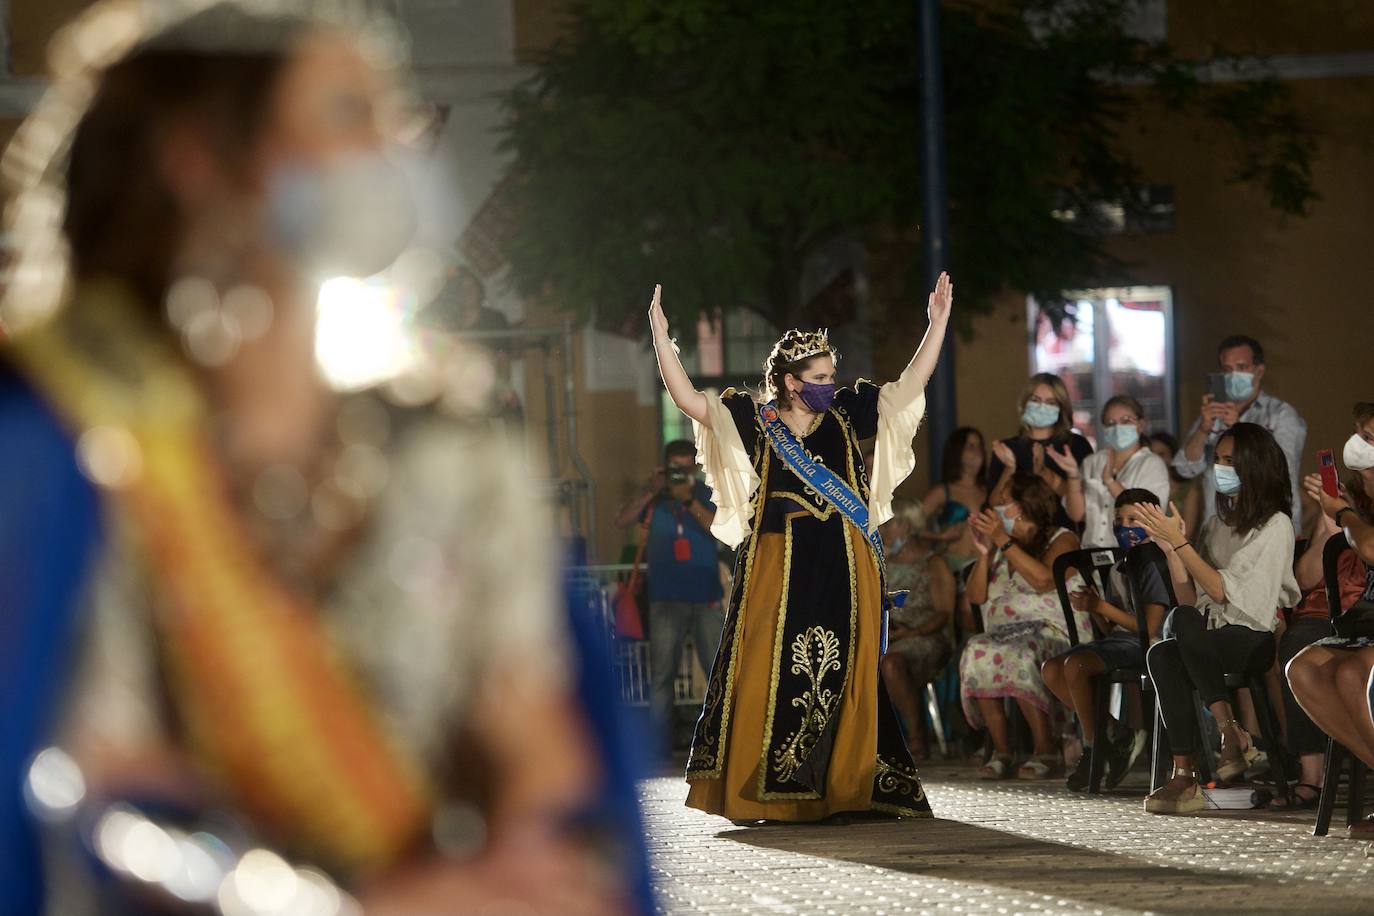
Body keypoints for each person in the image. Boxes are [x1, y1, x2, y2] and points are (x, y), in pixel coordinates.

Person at [0, 4, 634, 913]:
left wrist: (528, 866)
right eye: (347, 113)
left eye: (393, 111)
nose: (398, 144)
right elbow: (75, 782)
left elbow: (543, 748)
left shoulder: (452, 457)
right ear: (200, 161)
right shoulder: (70, 444)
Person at [649, 273, 953, 822]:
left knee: (843, 668)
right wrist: (662, 342)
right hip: (776, 559)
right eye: (818, 377)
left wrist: (936, 326)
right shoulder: (753, 417)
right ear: (791, 382)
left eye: (830, 375)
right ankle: (770, 787)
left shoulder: (846, 413)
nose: (828, 384)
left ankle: (844, 785)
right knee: (767, 664)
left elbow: (908, 387)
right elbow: (691, 401)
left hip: (843, 557)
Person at [1136, 423, 1301, 815]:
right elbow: (1189, 597)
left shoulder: (1276, 525)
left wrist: (1180, 541)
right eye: (1218, 460)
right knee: (1164, 649)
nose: (1221, 468)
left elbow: (1224, 591)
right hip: (1209, 635)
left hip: (1251, 637)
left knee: (1185, 628)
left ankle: (1226, 738)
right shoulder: (1217, 524)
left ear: (1254, 466)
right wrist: (1172, 548)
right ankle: (1191, 768)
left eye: (1230, 460)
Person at [1041, 489, 1172, 791]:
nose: (1124, 527)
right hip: (1118, 641)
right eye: (1119, 520)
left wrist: (1102, 607)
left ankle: (1094, 747)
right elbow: (1110, 625)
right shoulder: (1119, 566)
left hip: (1148, 644)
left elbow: (1149, 627)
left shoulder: (1153, 562)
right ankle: (1115, 732)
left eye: (1133, 519)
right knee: (1051, 668)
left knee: (1076, 666)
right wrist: (1094, 607)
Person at [960, 474, 1087, 780]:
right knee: (977, 648)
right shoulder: (1002, 549)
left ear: (1025, 506)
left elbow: (1044, 580)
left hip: (1052, 631)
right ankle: (1003, 751)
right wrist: (984, 553)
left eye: (1004, 503)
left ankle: (1045, 749)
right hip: (1005, 632)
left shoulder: (1063, 538)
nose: (998, 509)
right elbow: (975, 598)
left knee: (1017, 653)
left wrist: (1003, 541)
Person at [1286, 402, 1374, 831]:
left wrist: (1341, 513)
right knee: (1302, 666)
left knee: (1349, 674)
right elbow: (1304, 579)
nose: (1362, 446)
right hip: (1360, 623)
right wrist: (1327, 521)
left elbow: (1371, 548)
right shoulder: (1348, 500)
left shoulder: (1349, 510)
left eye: (1372, 439)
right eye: (1360, 436)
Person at [617, 440, 723, 758]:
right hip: (665, 599)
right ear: (664, 466)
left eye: (686, 467)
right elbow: (621, 521)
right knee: (662, 675)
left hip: (705, 598)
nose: (680, 474)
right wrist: (651, 490)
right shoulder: (655, 499)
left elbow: (719, 530)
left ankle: (721, 743)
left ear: (695, 466)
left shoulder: (706, 493)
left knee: (717, 671)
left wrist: (689, 500)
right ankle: (657, 749)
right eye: (675, 467)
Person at [1172, 334, 1307, 533]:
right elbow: (1184, 469)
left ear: (1259, 371)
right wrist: (1203, 430)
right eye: (1227, 369)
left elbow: (1281, 471)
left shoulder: (1282, 415)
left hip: (1267, 528)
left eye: (1242, 368)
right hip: (1218, 527)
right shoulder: (1213, 413)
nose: (1233, 375)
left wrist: (1239, 427)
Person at [879, 500, 956, 761]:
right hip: (889, 636)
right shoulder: (883, 562)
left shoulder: (933, 563)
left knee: (891, 664)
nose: (884, 530)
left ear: (906, 526)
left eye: (889, 524)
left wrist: (910, 633)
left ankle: (916, 737)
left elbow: (944, 612)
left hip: (924, 636)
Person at [1053, 395, 1170, 548]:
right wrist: (1073, 475)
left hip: (1134, 554)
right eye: (1111, 423)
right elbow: (1077, 515)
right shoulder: (1092, 462)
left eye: (1125, 421)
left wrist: (1110, 482)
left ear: (1141, 425)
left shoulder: (1152, 464)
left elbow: (1148, 515)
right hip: (1091, 554)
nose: (1117, 428)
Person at [986, 373, 1094, 517]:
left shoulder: (1075, 445)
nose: (1042, 407)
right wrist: (1009, 469)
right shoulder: (1007, 448)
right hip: (1021, 535)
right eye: (1035, 400)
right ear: (1024, 404)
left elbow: (1089, 504)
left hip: (1069, 534)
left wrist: (1047, 474)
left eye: (1050, 402)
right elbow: (994, 506)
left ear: (1061, 408)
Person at [920, 426, 989, 575]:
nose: (977, 451)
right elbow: (911, 526)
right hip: (952, 567)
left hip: (983, 565)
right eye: (970, 446)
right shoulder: (943, 491)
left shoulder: (988, 491)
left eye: (980, 446)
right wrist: (940, 537)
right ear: (958, 452)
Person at [1148, 431, 1203, 544]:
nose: (1156, 460)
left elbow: (1187, 533)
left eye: (1161, 454)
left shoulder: (1188, 488)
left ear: (1173, 457)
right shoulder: (1141, 484)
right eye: (1152, 454)